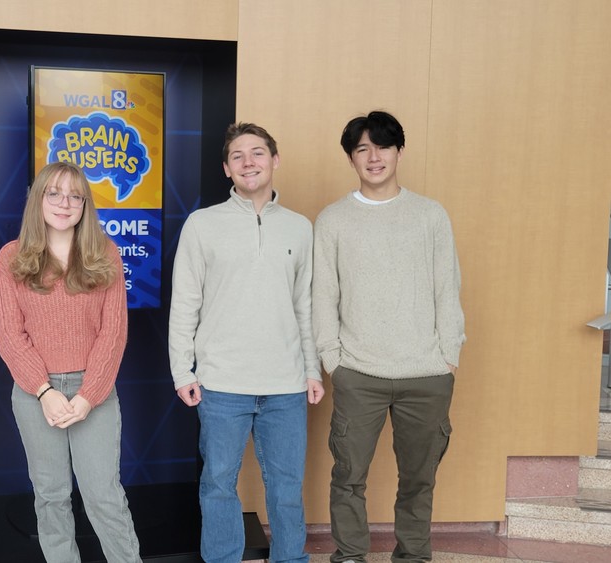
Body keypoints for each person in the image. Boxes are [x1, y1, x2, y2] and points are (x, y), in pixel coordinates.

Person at [312, 110, 465, 563]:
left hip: (427, 373)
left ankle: (414, 556)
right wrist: (332, 358)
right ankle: (351, 555)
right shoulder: (333, 219)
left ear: (399, 151)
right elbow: (324, 294)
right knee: (349, 475)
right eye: (362, 148)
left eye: (382, 146)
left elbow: (447, 286)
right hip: (359, 371)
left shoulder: (429, 215)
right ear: (351, 158)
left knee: (419, 478)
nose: (373, 156)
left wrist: (448, 355)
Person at [169, 123, 324, 563]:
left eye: (258, 153)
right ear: (226, 168)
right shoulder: (202, 225)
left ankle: (290, 558)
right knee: (218, 483)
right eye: (238, 156)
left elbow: (304, 307)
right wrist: (183, 370)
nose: (249, 162)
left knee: (287, 485)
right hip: (221, 383)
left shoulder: (299, 228)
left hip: (286, 383)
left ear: (275, 161)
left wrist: (311, 370)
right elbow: (185, 305)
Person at [0, 161, 141, 562]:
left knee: (104, 496)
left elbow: (113, 334)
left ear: (85, 205)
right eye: (55, 193)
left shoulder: (104, 253)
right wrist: (44, 392)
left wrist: (87, 396)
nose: (65, 203)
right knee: (51, 495)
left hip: (94, 392)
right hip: (34, 394)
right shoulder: (11, 258)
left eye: (75, 196)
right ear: (38, 199)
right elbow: (9, 335)